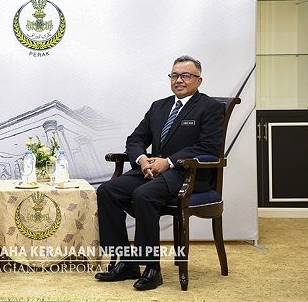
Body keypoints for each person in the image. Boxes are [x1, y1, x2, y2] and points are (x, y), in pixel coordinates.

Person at [95, 55, 223, 290]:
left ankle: (152, 268)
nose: (179, 80)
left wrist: (169, 162)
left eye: (186, 75)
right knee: (107, 191)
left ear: (199, 80)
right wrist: (142, 160)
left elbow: (209, 147)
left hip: (187, 173)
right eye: (174, 75)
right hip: (152, 169)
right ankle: (126, 261)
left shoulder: (210, 108)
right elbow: (135, 139)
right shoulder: (159, 106)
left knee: (144, 194)